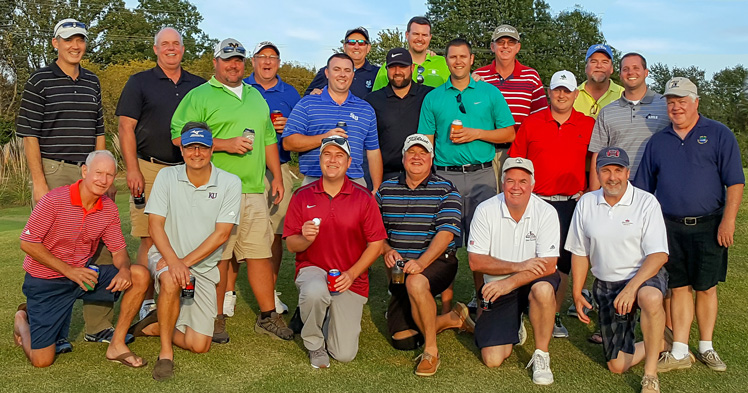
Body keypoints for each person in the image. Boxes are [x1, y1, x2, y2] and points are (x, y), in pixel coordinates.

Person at [170, 38, 291, 344]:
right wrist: (224, 144)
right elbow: (178, 137)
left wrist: (276, 175)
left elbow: (267, 140)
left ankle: (267, 316)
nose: (233, 65)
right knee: (219, 257)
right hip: (216, 188)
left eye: (238, 60)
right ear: (216, 62)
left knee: (260, 253)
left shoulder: (255, 96)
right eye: (227, 60)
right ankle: (215, 316)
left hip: (252, 188)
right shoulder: (199, 96)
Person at [16, 18, 122, 351]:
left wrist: (104, 173)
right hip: (55, 169)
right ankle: (48, 325)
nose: (75, 46)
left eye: (80, 40)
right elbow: (29, 134)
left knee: (101, 245)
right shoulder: (40, 80)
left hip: (90, 169)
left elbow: (99, 131)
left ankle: (97, 325)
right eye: (68, 40)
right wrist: (38, 181)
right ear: (55, 44)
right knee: (58, 245)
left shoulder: (92, 81)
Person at [635, 77, 745, 373]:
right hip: (669, 226)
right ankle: (681, 350)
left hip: (709, 225)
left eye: (682, 101)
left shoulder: (719, 134)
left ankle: (706, 346)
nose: (676, 107)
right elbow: (644, 189)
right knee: (680, 286)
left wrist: (728, 221)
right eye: (671, 102)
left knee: (706, 287)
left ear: (696, 102)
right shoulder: (658, 141)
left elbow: (735, 181)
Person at [14, 150, 149, 368]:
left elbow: (118, 251)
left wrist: (124, 269)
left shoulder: (109, 209)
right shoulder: (54, 200)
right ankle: (22, 320)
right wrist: (69, 271)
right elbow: (28, 243)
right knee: (42, 360)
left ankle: (116, 345)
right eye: (98, 173)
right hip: (46, 281)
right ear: (85, 171)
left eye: (109, 175)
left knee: (139, 274)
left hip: (83, 276)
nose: (103, 180)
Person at [128, 124, 241, 381]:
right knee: (169, 279)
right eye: (191, 147)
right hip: (167, 257)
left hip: (202, 267)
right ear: (182, 150)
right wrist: (175, 263)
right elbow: (155, 226)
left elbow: (222, 234)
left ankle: (159, 323)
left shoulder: (230, 183)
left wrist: (185, 263)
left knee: (199, 345)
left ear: (212, 149)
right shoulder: (167, 177)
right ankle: (165, 353)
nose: (197, 153)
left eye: (203, 147)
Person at [418, 38, 515, 314]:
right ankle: (446, 306)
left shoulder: (489, 93)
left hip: (481, 176)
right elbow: (426, 141)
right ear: (446, 61)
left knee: (481, 243)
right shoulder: (434, 97)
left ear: (472, 59)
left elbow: (508, 133)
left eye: (463, 56)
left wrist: (476, 133)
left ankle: (482, 301)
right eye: (452, 57)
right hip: (445, 177)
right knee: (445, 243)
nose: (458, 61)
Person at [116, 27, 205, 319]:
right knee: (148, 236)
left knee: (185, 236)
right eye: (164, 44)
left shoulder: (199, 85)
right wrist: (132, 170)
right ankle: (144, 301)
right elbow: (125, 127)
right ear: (155, 49)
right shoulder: (139, 82)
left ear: (183, 48)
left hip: (187, 169)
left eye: (176, 43)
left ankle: (178, 294)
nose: (171, 48)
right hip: (149, 168)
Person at [566, 147, 669, 393]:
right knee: (616, 365)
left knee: (650, 297)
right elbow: (580, 252)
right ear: (598, 174)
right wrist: (578, 291)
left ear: (627, 172)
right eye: (606, 170)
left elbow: (659, 255)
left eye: (618, 170)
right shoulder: (587, 203)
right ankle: (662, 340)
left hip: (642, 277)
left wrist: (632, 289)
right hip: (607, 285)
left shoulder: (646, 202)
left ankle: (651, 375)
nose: (613, 177)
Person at [284, 136, 387, 368]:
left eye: (339, 155)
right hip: (313, 269)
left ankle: (326, 314)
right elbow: (291, 245)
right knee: (313, 291)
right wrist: (305, 238)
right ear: (320, 160)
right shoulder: (303, 195)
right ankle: (314, 343)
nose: (333, 160)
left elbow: (376, 245)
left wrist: (351, 274)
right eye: (327, 155)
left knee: (344, 354)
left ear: (349, 162)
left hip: (350, 278)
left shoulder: (363, 198)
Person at [376, 134, 473, 376]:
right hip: (400, 268)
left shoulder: (446, 189)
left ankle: (431, 351)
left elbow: (447, 234)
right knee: (403, 340)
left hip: (438, 261)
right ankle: (451, 318)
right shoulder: (386, 189)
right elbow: (374, 231)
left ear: (431, 159)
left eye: (423, 153)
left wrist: (421, 262)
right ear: (403, 157)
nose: (416, 157)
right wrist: (387, 249)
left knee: (417, 283)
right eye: (412, 152)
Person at [508, 70, 594, 339]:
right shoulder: (532, 123)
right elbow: (516, 163)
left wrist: (590, 191)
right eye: (557, 89)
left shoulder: (588, 124)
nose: (561, 95)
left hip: (571, 203)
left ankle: (553, 314)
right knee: (527, 257)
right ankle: (521, 310)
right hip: (536, 202)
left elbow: (596, 162)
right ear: (548, 92)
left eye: (567, 91)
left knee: (562, 263)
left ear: (575, 94)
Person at [468, 157, 560, 386]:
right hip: (499, 283)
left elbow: (548, 265)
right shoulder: (485, 209)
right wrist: (518, 266)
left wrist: (510, 282)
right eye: (510, 181)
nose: (516, 187)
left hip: (531, 279)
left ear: (532, 184)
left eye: (522, 181)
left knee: (543, 290)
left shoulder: (546, 212)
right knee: (492, 359)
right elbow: (476, 262)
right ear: (502, 183)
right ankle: (515, 323)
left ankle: (541, 355)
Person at [233, 41, 302, 317]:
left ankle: (270, 292)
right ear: (253, 61)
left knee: (274, 232)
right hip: (243, 167)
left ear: (279, 63)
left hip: (278, 168)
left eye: (272, 57)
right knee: (233, 230)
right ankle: (227, 294)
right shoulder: (241, 88)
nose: (267, 62)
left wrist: (288, 126)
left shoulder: (291, 93)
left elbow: (300, 130)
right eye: (262, 56)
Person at [283, 53, 383, 190]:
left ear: (353, 75)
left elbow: (373, 152)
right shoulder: (307, 104)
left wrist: (376, 188)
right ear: (327, 73)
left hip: (355, 183)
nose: (342, 74)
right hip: (315, 181)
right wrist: (324, 138)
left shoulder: (365, 109)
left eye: (347, 70)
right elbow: (288, 142)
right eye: (337, 69)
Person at [473, 24, 548, 190]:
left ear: (518, 47)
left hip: (520, 152)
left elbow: (541, 119)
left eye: (510, 42)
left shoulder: (531, 76)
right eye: (500, 42)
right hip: (486, 151)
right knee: (488, 203)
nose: (505, 46)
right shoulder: (479, 76)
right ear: (492, 47)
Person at [587, 53, 670, 190]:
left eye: (636, 68)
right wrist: (593, 195)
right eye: (625, 69)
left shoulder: (665, 106)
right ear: (620, 74)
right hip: (617, 188)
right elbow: (597, 155)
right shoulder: (607, 112)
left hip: (657, 186)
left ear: (646, 72)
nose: (631, 72)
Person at [365, 49, 434, 184]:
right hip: (385, 177)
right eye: (392, 67)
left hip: (423, 176)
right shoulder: (372, 100)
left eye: (402, 66)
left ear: (412, 68)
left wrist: (475, 78)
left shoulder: (429, 95)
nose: (397, 72)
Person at [372, 16, 449, 90]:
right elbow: (376, 98)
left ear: (430, 37)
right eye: (416, 34)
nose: (420, 39)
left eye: (424, 35)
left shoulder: (444, 64)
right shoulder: (390, 66)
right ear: (407, 35)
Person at [304, 27, 379, 98]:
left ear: (368, 47)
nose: (356, 47)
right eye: (351, 42)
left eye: (361, 43)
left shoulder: (378, 73)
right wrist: (313, 94)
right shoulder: (328, 71)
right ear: (344, 47)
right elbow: (307, 97)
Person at [573, 44, 624, 119]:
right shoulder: (572, 96)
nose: (599, 66)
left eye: (605, 62)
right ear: (586, 68)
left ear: (611, 69)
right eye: (594, 61)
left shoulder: (623, 95)